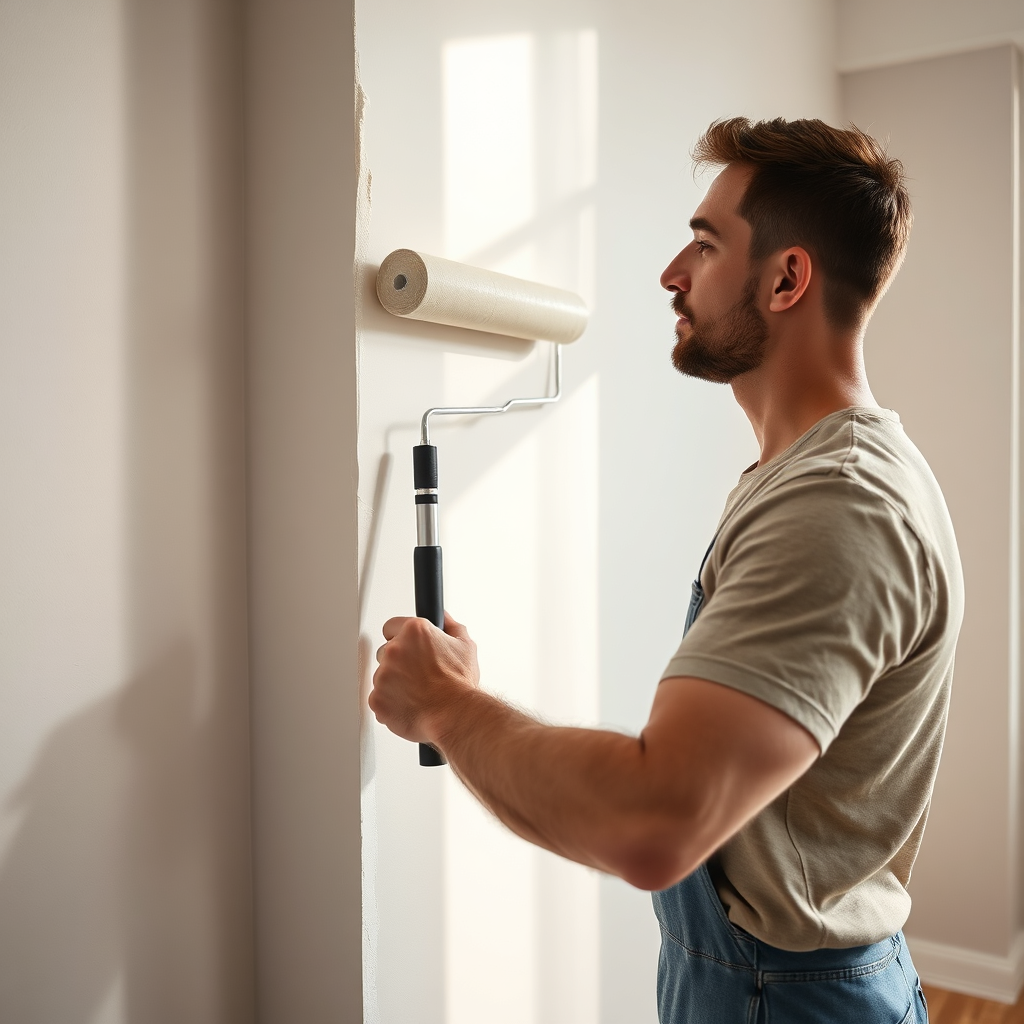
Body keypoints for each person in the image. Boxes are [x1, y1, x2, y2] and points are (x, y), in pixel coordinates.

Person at [369, 117, 963, 1024]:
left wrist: (447, 708)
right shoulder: (803, 477)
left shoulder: (838, 506)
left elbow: (655, 823)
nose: (671, 274)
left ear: (787, 278)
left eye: (703, 243)